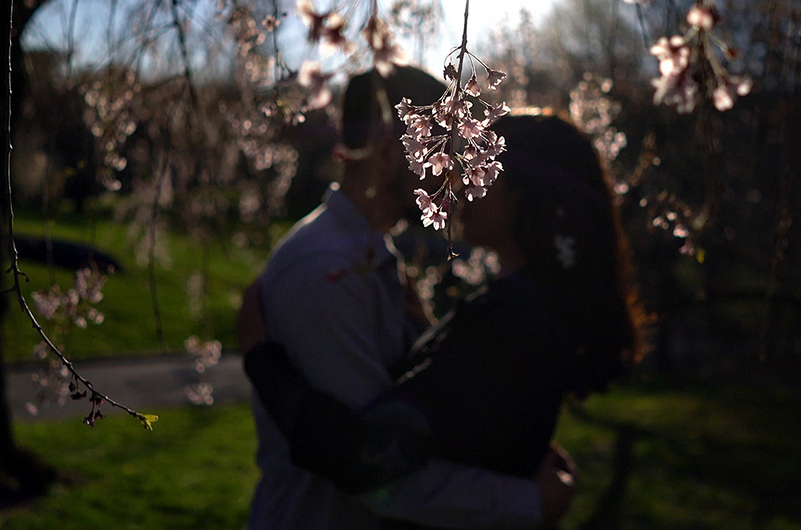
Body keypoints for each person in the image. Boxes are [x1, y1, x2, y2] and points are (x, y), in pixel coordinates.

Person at [240, 110, 644, 527]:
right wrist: (427, 333)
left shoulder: (514, 320)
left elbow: (365, 459)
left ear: (522, 191)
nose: (460, 184)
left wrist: (262, 361)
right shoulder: (531, 308)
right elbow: (466, 413)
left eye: (480, 170)